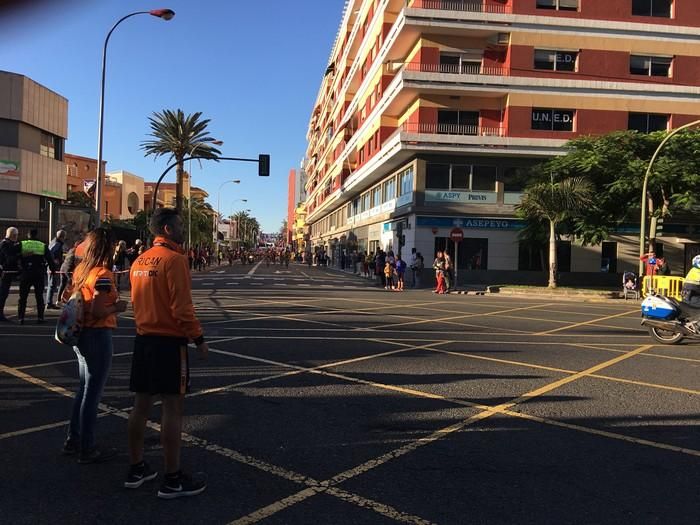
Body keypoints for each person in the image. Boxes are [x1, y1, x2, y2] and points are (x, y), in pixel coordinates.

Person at [127, 208, 208, 499]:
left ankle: (136, 468)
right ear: (168, 229)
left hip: (143, 340)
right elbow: (182, 309)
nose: (185, 229)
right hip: (169, 343)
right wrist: (199, 339)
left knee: (140, 406)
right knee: (173, 409)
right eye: (180, 225)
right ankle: (172, 478)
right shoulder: (174, 260)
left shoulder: (138, 261)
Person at [63, 228, 127, 463]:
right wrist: (117, 308)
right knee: (93, 393)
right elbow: (99, 310)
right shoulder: (102, 274)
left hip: (79, 334)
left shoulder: (81, 270)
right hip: (97, 335)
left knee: (83, 388)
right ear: (107, 247)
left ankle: (73, 439)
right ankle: (87, 447)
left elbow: (66, 298)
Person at [18, 229, 56, 324]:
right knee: (39, 297)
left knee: (23, 297)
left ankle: (21, 318)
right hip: (38, 273)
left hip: (26, 273)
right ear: (36, 235)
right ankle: (40, 318)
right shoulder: (42, 245)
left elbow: (14, 256)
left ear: (28, 235)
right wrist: (53, 270)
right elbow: (50, 259)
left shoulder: (22, 244)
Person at [0, 227, 20, 322]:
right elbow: (9, 259)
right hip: (4, 273)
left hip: (7, 272)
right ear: (14, 235)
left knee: (4, 293)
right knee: (2, 294)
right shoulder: (5, 244)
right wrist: (20, 255)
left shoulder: (7, 244)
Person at [46, 229, 67, 309]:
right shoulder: (57, 244)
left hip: (52, 266)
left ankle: (49, 302)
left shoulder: (53, 242)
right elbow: (51, 253)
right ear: (62, 237)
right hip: (53, 266)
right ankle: (49, 303)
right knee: (52, 284)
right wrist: (54, 260)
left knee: (52, 284)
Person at [680, 255, 700, 332]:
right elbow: (695, 286)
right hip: (691, 295)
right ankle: (696, 326)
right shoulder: (696, 272)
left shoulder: (694, 270)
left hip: (691, 293)